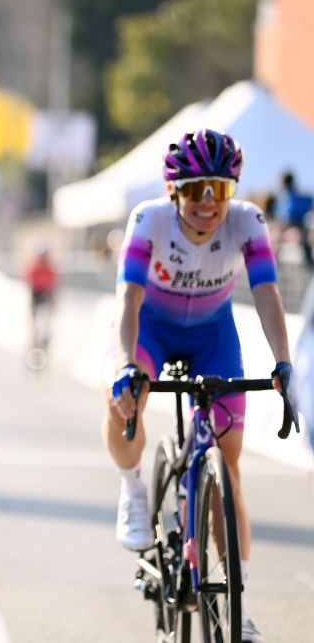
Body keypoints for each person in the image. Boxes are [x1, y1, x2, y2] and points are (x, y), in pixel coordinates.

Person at [107, 129, 298, 643]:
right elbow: (128, 298)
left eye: (218, 189)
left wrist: (283, 363)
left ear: (232, 191)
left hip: (213, 335)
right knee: (124, 402)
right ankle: (133, 490)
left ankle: (237, 601)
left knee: (227, 463)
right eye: (194, 191)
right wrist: (128, 365)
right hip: (152, 328)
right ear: (175, 193)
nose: (207, 203)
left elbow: (266, 292)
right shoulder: (149, 221)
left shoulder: (247, 223)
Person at [22, 241, 58, 367]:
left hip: (46, 296)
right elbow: (30, 288)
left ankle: (44, 343)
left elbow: (53, 288)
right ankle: (33, 343)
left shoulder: (50, 269)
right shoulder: (33, 268)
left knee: (45, 322)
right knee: (34, 325)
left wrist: (54, 303)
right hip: (35, 296)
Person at [272, 170, 314, 268]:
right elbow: (276, 213)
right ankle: (272, 262)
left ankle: (309, 262)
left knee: (303, 240)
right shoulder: (281, 198)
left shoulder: (296, 196)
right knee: (274, 238)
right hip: (282, 225)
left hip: (297, 224)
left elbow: (307, 207)